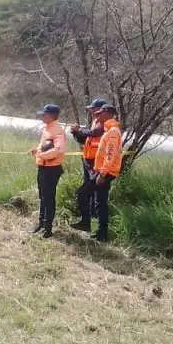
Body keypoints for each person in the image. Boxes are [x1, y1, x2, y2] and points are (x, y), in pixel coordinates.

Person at [29, 103, 67, 239]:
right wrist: (37, 151)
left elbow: (58, 150)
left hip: (52, 169)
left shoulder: (57, 130)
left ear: (51, 116)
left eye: (44, 114)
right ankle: (41, 224)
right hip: (43, 167)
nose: (42, 116)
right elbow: (45, 147)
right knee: (42, 197)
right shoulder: (47, 129)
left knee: (48, 198)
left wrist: (41, 155)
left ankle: (48, 228)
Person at [69, 98, 107, 231]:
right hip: (89, 163)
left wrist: (80, 130)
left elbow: (92, 133)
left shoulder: (106, 125)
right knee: (91, 196)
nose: (92, 113)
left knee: (92, 197)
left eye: (95, 110)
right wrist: (76, 132)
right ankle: (89, 224)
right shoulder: (96, 122)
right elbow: (86, 139)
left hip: (99, 166)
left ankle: (97, 229)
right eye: (91, 110)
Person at [90, 104, 123, 242]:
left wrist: (102, 174)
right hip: (101, 171)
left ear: (109, 114)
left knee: (101, 203)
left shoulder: (113, 131)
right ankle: (99, 231)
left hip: (106, 173)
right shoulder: (109, 129)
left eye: (100, 114)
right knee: (98, 201)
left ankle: (102, 234)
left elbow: (110, 154)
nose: (98, 116)